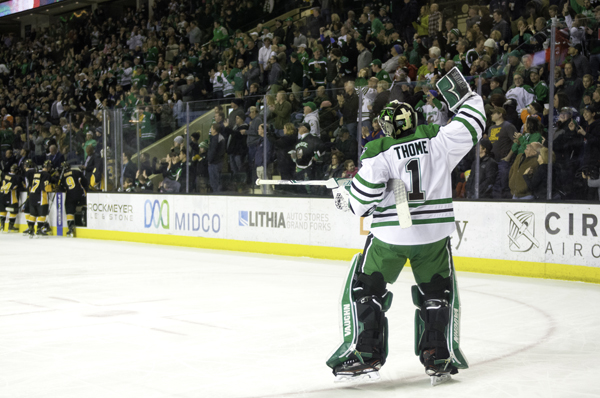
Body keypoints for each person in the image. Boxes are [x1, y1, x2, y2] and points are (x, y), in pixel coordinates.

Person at [327, 91, 486, 383]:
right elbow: (475, 120)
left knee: (367, 291)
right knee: (437, 293)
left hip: (391, 238)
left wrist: (344, 195)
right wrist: (462, 93)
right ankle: (438, 356)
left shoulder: (379, 155)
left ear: (385, 127)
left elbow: (360, 205)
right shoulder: (440, 141)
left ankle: (366, 354)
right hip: (434, 237)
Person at [59, 162, 87, 237]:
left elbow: (62, 187)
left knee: (69, 211)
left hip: (70, 195)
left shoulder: (63, 176)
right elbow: (85, 182)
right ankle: (85, 222)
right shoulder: (76, 172)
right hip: (79, 193)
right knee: (84, 206)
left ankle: (71, 228)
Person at [27, 160, 55, 237]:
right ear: (49, 167)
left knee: (33, 214)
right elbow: (46, 188)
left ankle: (30, 229)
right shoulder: (47, 175)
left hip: (32, 195)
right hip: (40, 196)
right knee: (42, 214)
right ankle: (39, 229)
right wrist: (53, 187)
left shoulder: (35, 173)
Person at [0, 163, 23, 232]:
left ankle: (2, 226)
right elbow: (19, 187)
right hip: (11, 197)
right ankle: (11, 226)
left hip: (1, 196)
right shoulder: (17, 177)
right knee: (13, 211)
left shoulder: (4, 175)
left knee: (2, 211)